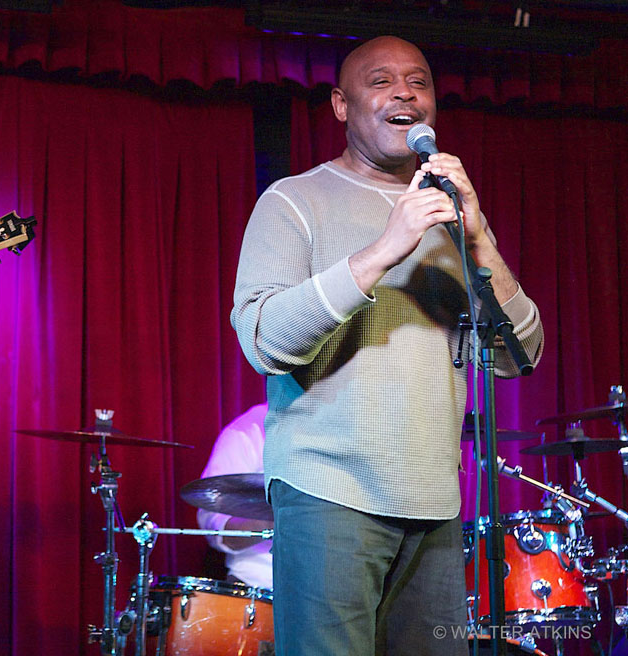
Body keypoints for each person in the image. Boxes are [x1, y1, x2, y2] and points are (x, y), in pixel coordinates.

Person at [230, 36, 544, 656]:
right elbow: (264, 340)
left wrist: (479, 240)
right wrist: (382, 250)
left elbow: (519, 355)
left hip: (432, 499)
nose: (405, 92)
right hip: (329, 494)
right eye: (382, 81)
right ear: (341, 105)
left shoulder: (451, 218)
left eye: (419, 81)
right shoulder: (294, 200)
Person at [195, 402, 272, 589]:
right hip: (259, 585)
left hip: (340, 587)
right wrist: (273, 521)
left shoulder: (349, 426)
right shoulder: (248, 431)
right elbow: (214, 521)